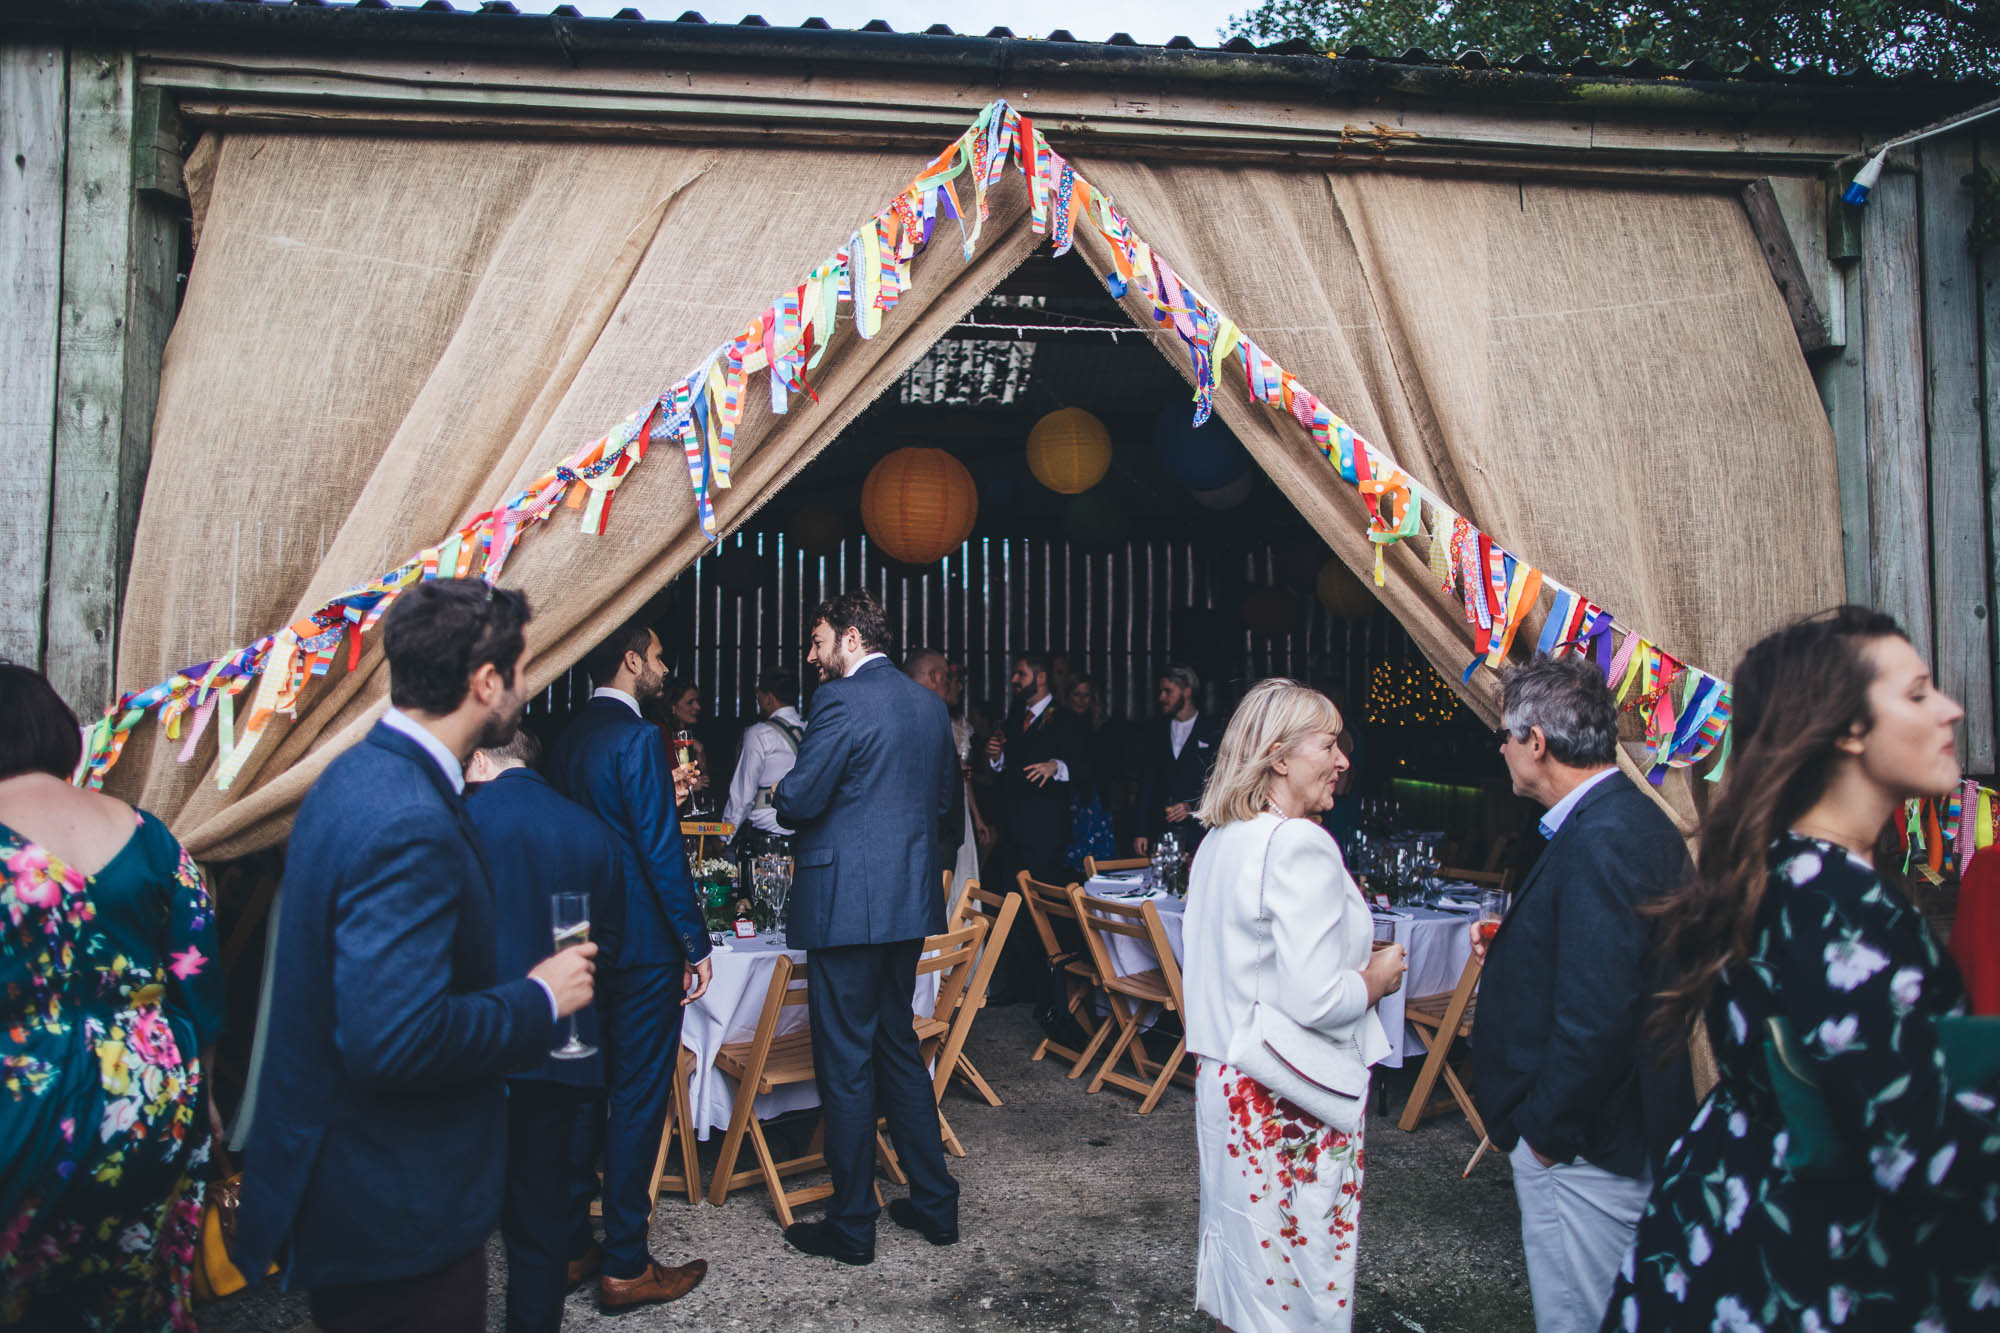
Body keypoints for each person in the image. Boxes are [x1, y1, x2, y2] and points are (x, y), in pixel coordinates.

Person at [1605, 608, 2000, 1332]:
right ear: (1847, 727)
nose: (1952, 709)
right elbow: (1919, 1149)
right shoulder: (1837, 904)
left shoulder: (1783, 870)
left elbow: (1856, 1056)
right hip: (1796, 1267)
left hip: (1729, 1228)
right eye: (1916, 694)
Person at [235, 579, 597, 1332]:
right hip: (393, 1202)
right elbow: (393, 1037)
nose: (530, 685)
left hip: (358, 1187)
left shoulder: (356, 775)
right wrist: (536, 999)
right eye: (523, 669)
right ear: (485, 681)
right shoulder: (408, 817)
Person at [1468, 654, 1695, 1333]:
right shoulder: (1624, 818)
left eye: (1506, 736)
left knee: (1580, 1315)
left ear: (1536, 743)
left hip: (1587, 1148)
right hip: (1607, 1133)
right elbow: (1611, 957)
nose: (1503, 749)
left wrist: (1545, 1134)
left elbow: (1598, 1012)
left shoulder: (1604, 838)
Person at [0, 664, 223, 1330]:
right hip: (149, 1093)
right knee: (124, 1294)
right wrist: (204, 1095)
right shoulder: (151, 835)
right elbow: (197, 976)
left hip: (24, 1093)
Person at [1182, 677, 1406, 1330]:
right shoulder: (1299, 842)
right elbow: (1318, 997)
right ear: (1279, 756)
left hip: (1225, 1081)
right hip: (1287, 1101)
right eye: (1330, 745)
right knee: (1297, 1287)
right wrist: (1377, 976)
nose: (1343, 760)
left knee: (1246, 1279)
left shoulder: (1222, 839)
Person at [772, 592, 960, 1266]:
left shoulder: (840, 700)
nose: (812, 655)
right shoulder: (929, 704)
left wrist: (780, 794)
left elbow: (800, 797)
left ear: (850, 638)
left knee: (846, 1065)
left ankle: (853, 1226)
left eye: (818, 640)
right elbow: (943, 805)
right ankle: (936, 1205)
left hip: (845, 906)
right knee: (897, 1046)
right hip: (905, 903)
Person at [546, 617, 712, 1313]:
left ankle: (570, 1245)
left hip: (580, 939)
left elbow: (598, 829)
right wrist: (695, 942)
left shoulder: (568, 738)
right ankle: (624, 1262)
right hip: (643, 943)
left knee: (584, 1091)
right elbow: (654, 848)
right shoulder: (641, 736)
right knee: (638, 1097)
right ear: (631, 659)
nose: (664, 668)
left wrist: (658, 801)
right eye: (660, 656)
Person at [465, 728, 630, 1333]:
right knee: (538, 1232)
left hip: (472, 1047)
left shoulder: (457, 821)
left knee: (454, 1228)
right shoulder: (589, 830)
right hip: (559, 1051)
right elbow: (608, 945)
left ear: (480, 758)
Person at [1133, 664, 1223, 858]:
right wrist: (1141, 831)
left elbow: (1221, 782)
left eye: (1168, 691)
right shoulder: (1156, 730)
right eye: (1161, 692)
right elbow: (1147, 783)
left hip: (1199, 833)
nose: (1162, 698)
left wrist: (1192, 806)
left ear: (1187, 691)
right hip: (1162, 832)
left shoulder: (1213, 730)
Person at [906, 648, 975, 897]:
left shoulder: (909, 708)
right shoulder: (926, 710)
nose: (949, 685)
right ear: (934, 677)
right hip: (932, 838)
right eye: (946, 678)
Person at [722, 670, 805, 859]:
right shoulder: (811, 728)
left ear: (768, 698)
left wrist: (724, 836)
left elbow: (743, 793)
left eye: (759, 697)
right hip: (803, 835)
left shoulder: (758, 734)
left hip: (767, 837)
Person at [1062, 673, 1120, 875]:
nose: (1081, 700)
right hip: (1068, 798)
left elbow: (1109, 765)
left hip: (1094, 799)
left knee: (1097, 861)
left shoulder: (1101, 725)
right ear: (1068, 696)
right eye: (1077, 694)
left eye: (1086, 695)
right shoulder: (1060, 724)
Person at [653, 678, 711, 809]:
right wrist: (689, 786)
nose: (698, 707)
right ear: (673, 707)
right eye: (690, 703)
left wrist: (700, 754)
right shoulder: (661, 734)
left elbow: (703, 779)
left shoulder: (689, 737)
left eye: (697, 701)